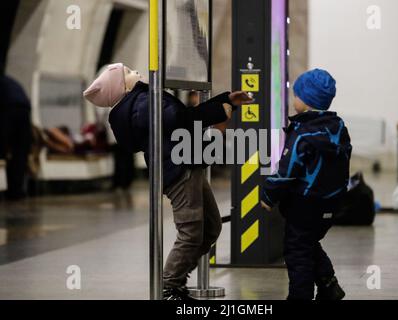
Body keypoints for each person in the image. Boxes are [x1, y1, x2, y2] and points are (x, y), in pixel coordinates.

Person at [83, 63, 252, 300]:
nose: (137, 73)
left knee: (211, 226)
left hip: (188, 164)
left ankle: (176, 278)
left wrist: (227, 100)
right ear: (121, 87)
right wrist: (219, 110)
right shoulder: (142, 105)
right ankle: (169, 285)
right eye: (130, 72)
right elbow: (181, 118)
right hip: (178, 170)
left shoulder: (143, 101)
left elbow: (182, 117)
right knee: (192, 231)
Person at [261, 69, 352, 300]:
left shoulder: (302, 133)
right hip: (332, 202)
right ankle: (329, 285)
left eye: (296, 95)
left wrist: (268, 196)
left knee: (297, 253)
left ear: (307, 100)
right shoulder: (338, 127)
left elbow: (287, 171)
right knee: (307, 241)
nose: (294, 99)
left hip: (304, 204)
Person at [0, 75, 32, 200]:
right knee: (20, 154)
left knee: (1, 152)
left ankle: (5, 187)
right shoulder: (9, 81)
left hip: (9, 109)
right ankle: (15, 191)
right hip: (24, 110)